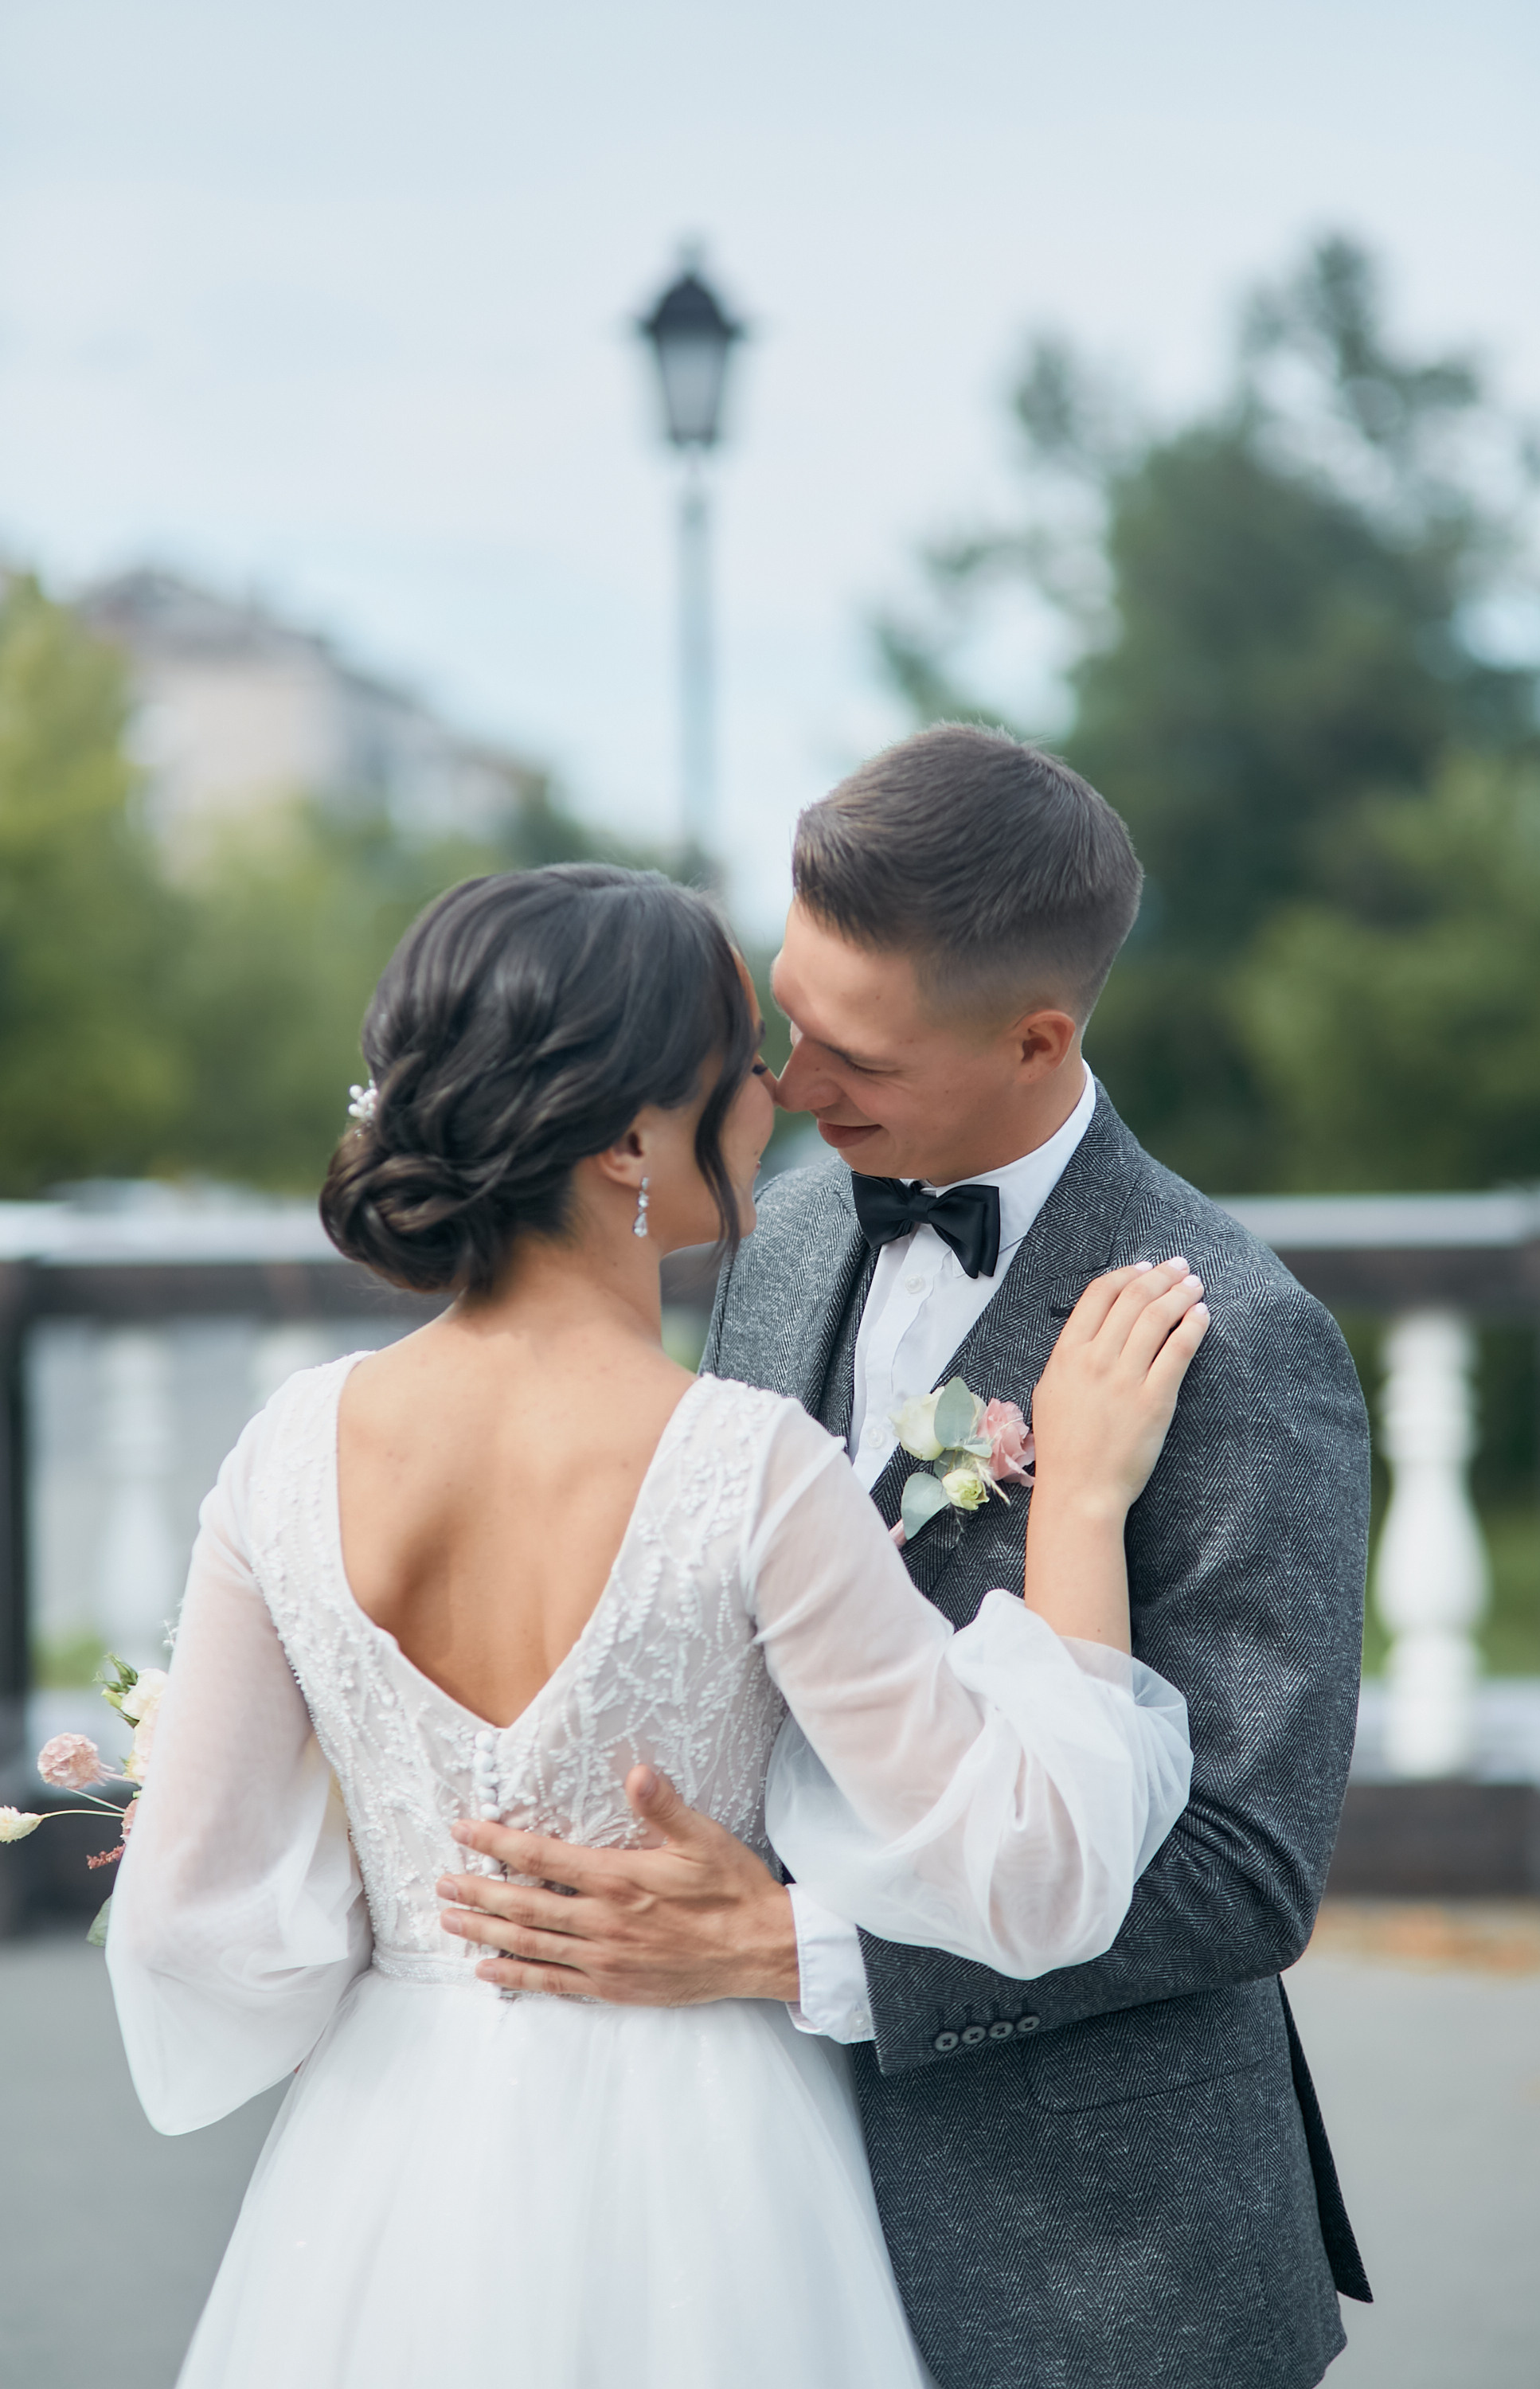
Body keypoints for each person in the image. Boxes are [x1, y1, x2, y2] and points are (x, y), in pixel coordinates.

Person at [107, 862, 1206, 2389]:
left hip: (387, 2159)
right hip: (708, 2160)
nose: (778, 1093)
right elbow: (1031, 1873)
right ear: (634, 1137)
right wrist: (1080, 1500)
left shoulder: (284, 1452)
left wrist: (420, 1910)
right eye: (741, 1064)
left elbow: (185, 1927)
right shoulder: (743, 1468)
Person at [444, 729, 1373, 2389]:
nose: (791, 1087)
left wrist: (786, 1950)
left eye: (851, 1052)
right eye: (788, 1019)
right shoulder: (780, 1222)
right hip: (756, 2210)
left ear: (1037, 1038)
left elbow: (1245, 1872)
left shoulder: (1240, 1339)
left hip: (1103, 2265)